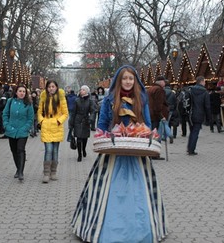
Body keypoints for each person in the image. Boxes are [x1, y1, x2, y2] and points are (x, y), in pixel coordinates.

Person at [71, 65, 168, 242]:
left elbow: (146, 123)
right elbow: (102, 123)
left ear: (135, 80)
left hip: (136, 150)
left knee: (139, 191)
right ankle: (102, 227)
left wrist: (145, 133)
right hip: (113, 151)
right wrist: (102, 136)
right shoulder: (109, 99)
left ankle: (141, 229)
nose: (128, 81)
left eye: (131, 78)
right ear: (119, 80)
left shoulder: (142, 99)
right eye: (125, 78)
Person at [37, 80, 68, 183]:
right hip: (46, 126)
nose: (51, 88)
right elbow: (39, 112)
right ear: (47, 88)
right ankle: (46, 173)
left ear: (56, 87)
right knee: (48, 150)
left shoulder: (61, 98)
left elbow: (65, 113)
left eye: (53, 86)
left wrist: (59, 121)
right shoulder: (43, 98)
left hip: (56, 127)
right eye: (49, 86)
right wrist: (42, 121)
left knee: (55, 151)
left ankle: (53, 172)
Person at [2, 85, 34, 180]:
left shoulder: (28, 104)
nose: (22, 93)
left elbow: (30, 118)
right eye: (20, 91)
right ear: (16, 92)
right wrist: (7, 125)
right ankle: (17, 168)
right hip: (11, 130)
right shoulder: (10, 101)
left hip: (22, 131)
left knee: (20, 149)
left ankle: (21, 172)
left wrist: (26, 128)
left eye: (24, 91)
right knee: (14, 150)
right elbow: (5, 114)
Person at [68, 85, 96, 162]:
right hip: (78, 120)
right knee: (79, 138)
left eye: (83, 90)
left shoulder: (90, 101)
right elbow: (73, 113)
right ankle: (79, 155)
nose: (81, 91)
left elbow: (93, 111)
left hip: (86, 121)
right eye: (81, 90)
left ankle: (84, 149)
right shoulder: (77, 100)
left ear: (87, 91)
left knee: (85, 138)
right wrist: (71, 123)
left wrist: (91, 119)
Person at [187, 76, 211, 155]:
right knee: (195, 132)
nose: (205, 83)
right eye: (204, 81)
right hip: (199, 114)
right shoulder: (205, 92)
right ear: (202, 82)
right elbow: (207, 106)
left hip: (190, 114)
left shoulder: (190, 90)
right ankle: (191, 150)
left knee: (192, 131)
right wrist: (208, 118)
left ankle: (189, 147)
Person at [147, 75, 169, 160]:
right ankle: (155, 154)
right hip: (156, 116)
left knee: (151, 135)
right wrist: (162, 116)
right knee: (156, 136)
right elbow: (158, 105)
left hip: (150, 115)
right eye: (164, 82)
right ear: (161, 82)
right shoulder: (159, 90)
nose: (165, 83)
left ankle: (150, 152)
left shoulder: (150, 89)